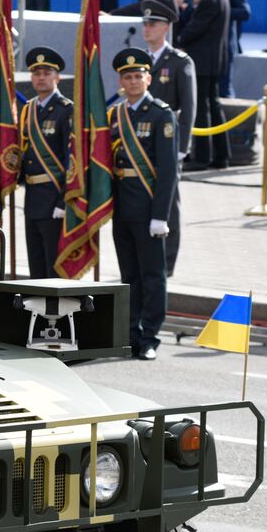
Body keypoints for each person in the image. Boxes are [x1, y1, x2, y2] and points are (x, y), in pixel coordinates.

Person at [109, 47, 177, 360]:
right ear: (121, 81)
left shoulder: (161, 115)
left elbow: (167, 172)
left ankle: (150, 336)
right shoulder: (115, 115)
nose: (134, 81)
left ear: (148, 78)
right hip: (123, 209)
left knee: (152, 275)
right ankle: (130, 333)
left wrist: (160, 216)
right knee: (128, 276)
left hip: (150, 209)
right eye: (128, 77)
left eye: (138, 76)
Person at [141, 0, 196, 276]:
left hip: (168, 140)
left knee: (169, 201)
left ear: (165, 28)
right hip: (142, 142)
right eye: (145, 23)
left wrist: (181, 147)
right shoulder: (139, 60)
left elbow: (188, 106)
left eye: (152, 24)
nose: (146, 28)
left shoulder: (178, 61)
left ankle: (168, 262)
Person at [18, 47, 72, 279]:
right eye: (36, 73)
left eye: (47, 73)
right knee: (36, 267)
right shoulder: (29, 110)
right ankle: (39, 314)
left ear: (57, 77)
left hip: (54, 200)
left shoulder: (66, 111)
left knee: (54, 267)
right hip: (32, 197)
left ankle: (57, 315)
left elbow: (72, 160)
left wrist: (64, 200)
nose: (41, 78)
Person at [178, 0, 230, 172]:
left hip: (202, 61)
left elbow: (192, 30)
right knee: (213, 108)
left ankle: (201, 158)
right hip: (212, 61)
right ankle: (221, 156)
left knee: (201, 110)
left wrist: (179, 39)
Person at [205, 0, 250, 98]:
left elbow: (245, 12)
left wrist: (222, 11)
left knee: (224, 89)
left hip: (225, 46)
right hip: (203, 47)